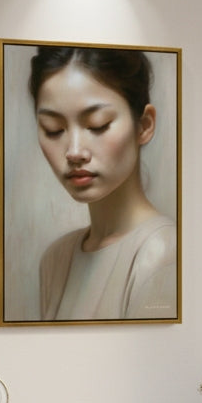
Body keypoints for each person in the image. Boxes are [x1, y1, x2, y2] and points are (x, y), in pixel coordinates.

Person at [29, 46, 177, 320]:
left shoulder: (162, 252)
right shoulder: (56, 259)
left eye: (97, 125)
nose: (74, 151)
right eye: (53, 129)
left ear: (144, 125)